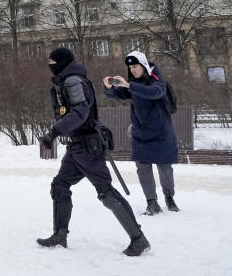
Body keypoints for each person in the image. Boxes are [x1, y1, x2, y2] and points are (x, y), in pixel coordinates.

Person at [37, 47, 151, 257]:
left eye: (53, 63)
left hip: (88, 148)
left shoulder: (73, 81)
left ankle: (139, 239)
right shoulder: (68, 80)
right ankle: (60, 235)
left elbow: (80, 112)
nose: (50, 67)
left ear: (62, 64)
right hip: (76, 147)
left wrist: (54, 131)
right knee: (60, 185)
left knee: (106, 194)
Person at [104, 51, 180, 215]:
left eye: (135, 66)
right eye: (130, 67)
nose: (132, 70)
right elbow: (118, 95)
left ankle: (169, 198)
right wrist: (109, 88)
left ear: (144, 66)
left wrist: (129, 85)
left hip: (161, 133)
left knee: (165, 168)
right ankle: (152, 202)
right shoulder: (132, 82)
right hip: (140, 132)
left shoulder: (157, 79)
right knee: (143, 168)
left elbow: (154, 92)